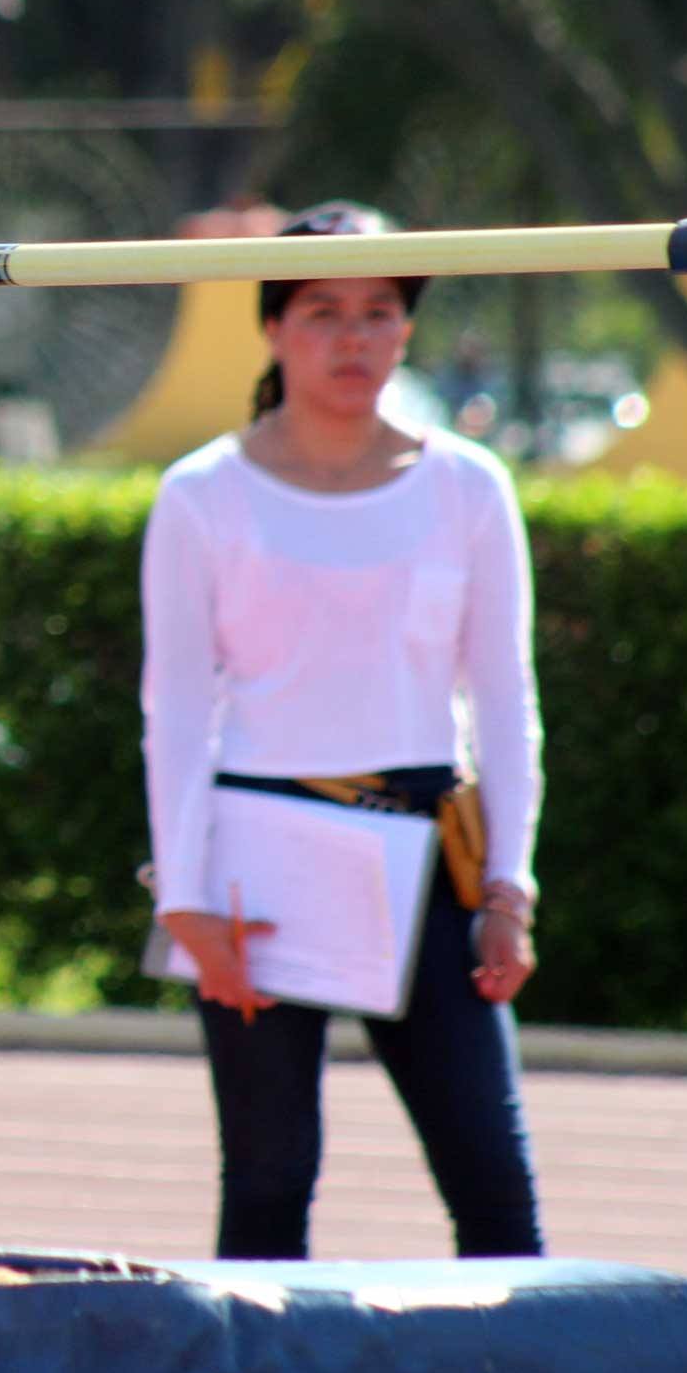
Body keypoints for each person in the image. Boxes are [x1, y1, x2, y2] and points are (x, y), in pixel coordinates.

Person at [139, 204, 545, 1261]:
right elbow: (174, 706)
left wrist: (509, 887)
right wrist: (185, 897)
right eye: (323, 311)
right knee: (268, 1181)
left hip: (430, 860)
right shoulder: (200, 493)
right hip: (259, 868)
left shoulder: (469, 485)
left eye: (378, 311)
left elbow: (504, 695)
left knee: (494, 1184)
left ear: (407, 328)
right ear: (274, 326)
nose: (353, 336)